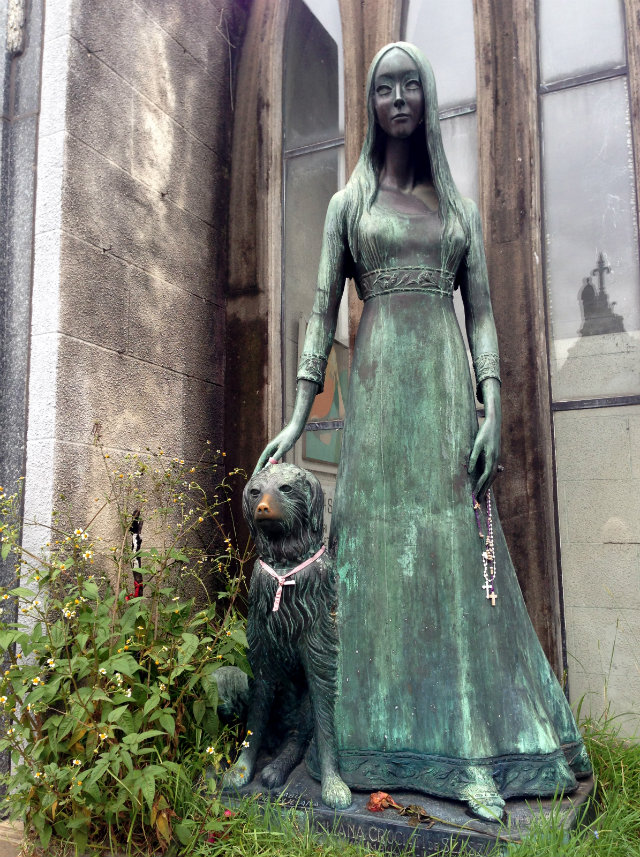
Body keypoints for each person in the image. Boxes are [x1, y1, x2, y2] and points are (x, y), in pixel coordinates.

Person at [256, 42, 590, 821]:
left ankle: (468, 751)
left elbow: (482, 316)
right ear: (371, 103)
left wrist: (493, 401)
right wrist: (301, 409)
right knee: (368, 554)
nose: (397, 97)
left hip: (443, 393)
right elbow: (318, 309)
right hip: (376, 394)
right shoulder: (350, 205)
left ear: (427, 98)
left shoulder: (457, 212)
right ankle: (366, 743)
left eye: (410, 85)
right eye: (383, 87)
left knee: (449, 557)